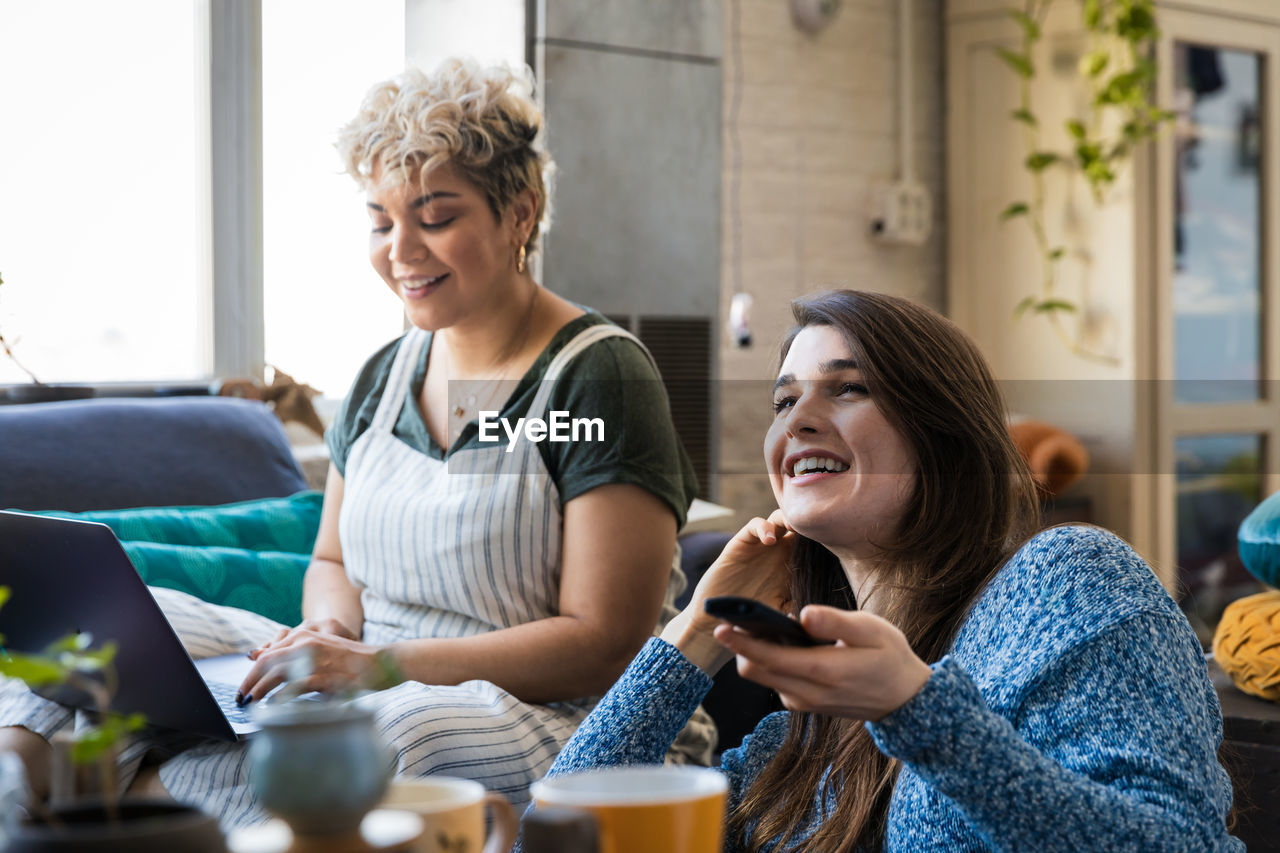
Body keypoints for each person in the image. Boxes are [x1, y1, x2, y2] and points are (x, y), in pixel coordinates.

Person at [0, 58, 709, 825]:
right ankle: (23, 777)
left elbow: (604, 642)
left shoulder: (598, 375)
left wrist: (381, 666)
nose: (400, 250)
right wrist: (332, 633)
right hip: (370, 665)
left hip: (563, 716)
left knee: (395, 730)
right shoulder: (381, 375)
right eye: (381, 220)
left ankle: (122, 803)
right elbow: (332, 559)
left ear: (520, 212)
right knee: (106, 633)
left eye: (435, 215)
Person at [530, 290, 1242, 852]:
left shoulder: (1066, 583)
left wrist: (918, 711)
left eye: (846, 388)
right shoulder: (795, 745)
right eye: (783, 400)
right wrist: (694, 629)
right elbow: (562, 825)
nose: (797, 419)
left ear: (945, 437)